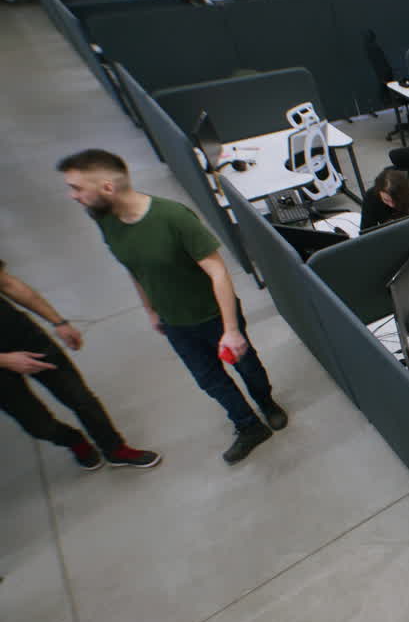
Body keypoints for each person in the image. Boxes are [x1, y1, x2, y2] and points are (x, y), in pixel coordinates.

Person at [57, 149, 286, 464]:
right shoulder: (106, 220)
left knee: (247, 366)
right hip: (175, 322)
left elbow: (218, 271)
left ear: (107, 187)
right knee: (209, 379)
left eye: (77, 188)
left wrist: (231, 330)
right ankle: (248, 426)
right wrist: (151, 310)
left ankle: (267, 403)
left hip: (214, 316)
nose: (73, 196)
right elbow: (135, 268)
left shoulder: (173, 217)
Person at [0, 259, 160, 470]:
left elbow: (7, 283)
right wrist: (5, 360)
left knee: (80, 398)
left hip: (23, 336)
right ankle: (73, 440)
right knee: (37, 425)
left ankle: (115, 449)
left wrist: (59, 322)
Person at [360, 167, 409, 231]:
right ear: (379, 192)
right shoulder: (371, 196)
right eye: (386, 200)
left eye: (396, 200)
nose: (392, 205)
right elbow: (366, 231)